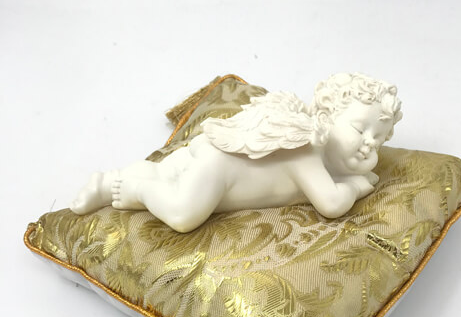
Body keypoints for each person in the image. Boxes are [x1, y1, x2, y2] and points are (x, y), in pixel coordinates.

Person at [71, 73, 403, 233]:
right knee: (183, 215)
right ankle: (136, 190)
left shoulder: (323, 160)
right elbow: (330, 204)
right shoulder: (306, 148)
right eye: (360, 129)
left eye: (379, 141)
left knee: (162, 172)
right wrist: (354, 186)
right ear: (326, 117)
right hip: (220, 172)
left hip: (215, 162)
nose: (369, 144)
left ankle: (106, 183)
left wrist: (349, 171)